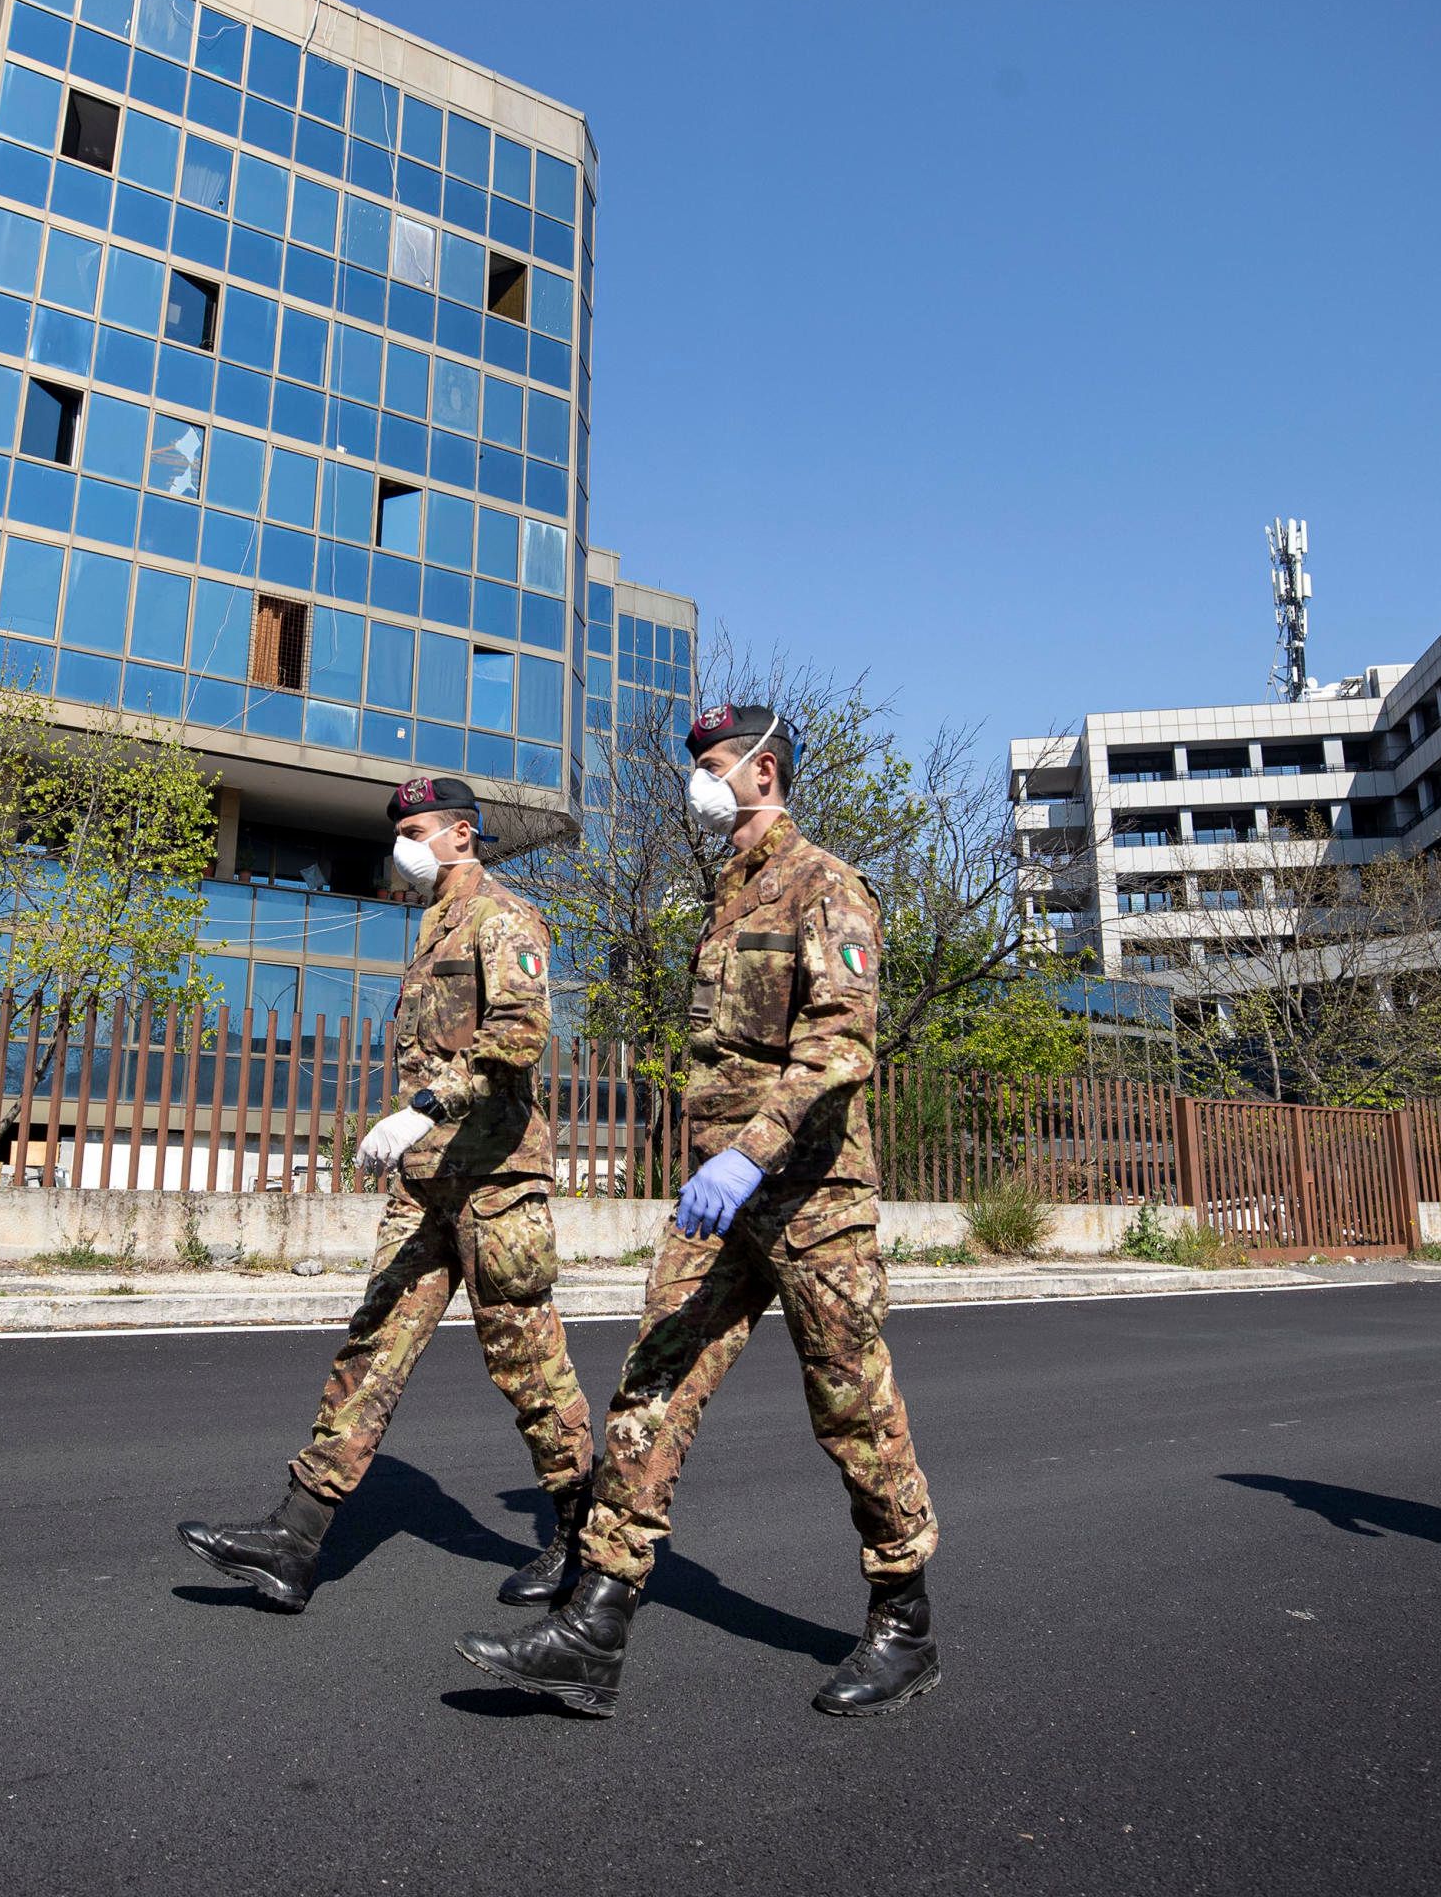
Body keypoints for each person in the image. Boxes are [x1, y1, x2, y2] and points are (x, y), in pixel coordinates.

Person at [457, 704, 941, 1717]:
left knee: (852, 1405)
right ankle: (594, 1623)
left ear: (764, 770)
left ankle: (903, 1620)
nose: (702, 782)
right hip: (718, 1202)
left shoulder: (828, 885)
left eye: (716, 765)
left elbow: (845, 1044)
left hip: (810, 1195)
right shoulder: (725, 897)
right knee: (652, 1386)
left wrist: (753, 1153)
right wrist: (707, 1163)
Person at [177, 777, 593, 1613]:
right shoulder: (433, 923)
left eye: (417, 829)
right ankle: (294, 1542)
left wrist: (428, 1107)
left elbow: (520, 1034)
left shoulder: (503, 916)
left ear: (461, 838)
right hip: (426, 1185)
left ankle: (587, 1543)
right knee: (373, 1348)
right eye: (400, 829)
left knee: (526, 1366)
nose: (402, 844)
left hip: (493, 1184)